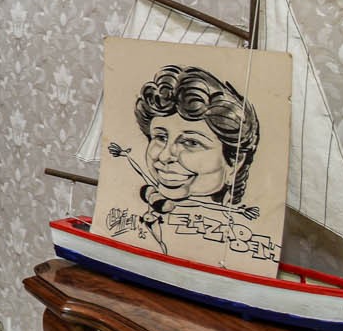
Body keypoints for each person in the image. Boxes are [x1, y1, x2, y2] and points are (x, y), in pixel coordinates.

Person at [106, 64, 269, 260]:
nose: (165, 156)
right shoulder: (142, 216)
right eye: (160, 137)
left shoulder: (240, 239)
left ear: (235, 162)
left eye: (191, 142)